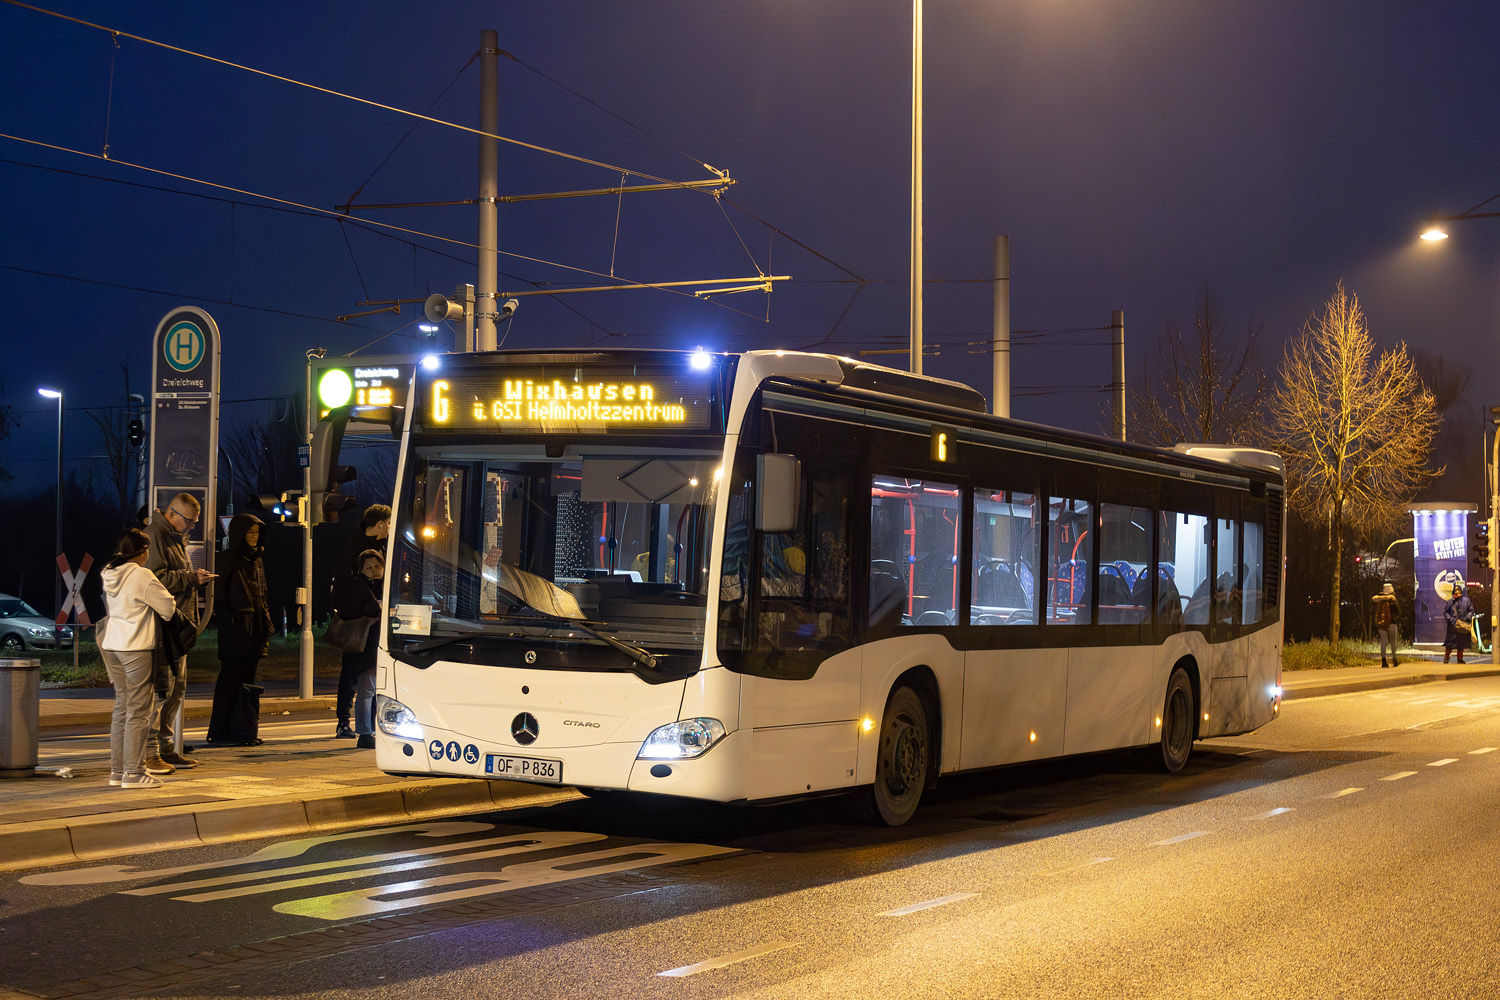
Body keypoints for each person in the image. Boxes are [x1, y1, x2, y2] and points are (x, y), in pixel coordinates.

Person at [98, 529, 179, 789]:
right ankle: (134, 773)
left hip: (112, 644)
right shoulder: (141, 575)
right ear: (143, 551)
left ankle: (117, 771)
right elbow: (168, 609)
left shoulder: (109, 572)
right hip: (136, 646)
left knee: (122, 709)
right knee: (140, 711)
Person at [145, 493, 215, 772]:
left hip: (177, 624)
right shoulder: (155, 536)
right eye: (190, 521)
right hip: (163, 628)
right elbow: (155, 580)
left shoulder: (172, 537)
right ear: (173, 514)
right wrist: (191, 578)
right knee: (161, 691)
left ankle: (166, 748)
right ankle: (152, 753)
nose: (191, 527)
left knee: (177, 689)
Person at [207, 513, 274, 745]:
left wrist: (265, 626)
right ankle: (220, 731)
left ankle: (244, 731)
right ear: (239, 534)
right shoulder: (226, 559)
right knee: (230, 682)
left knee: (248, 684)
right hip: (235, 634)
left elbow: (262, 595)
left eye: (257, 533)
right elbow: (220, 597)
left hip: (255, 632)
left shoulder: (257, 560)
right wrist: (232, 620)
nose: (254, 537)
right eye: (250, 532)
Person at [332, 505, 390, 739]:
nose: (389, 528)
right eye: (388, 523)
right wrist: (362, 609)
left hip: (376, 624)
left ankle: (371, 725)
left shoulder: (380, 546)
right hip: (358, 623)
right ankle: (344, 722)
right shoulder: (353, 550)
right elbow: (342, 589)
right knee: (351, 675)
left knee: (371, 678)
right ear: (379, 525)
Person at [1444, 582, 1476, 664]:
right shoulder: (1450, 602)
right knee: (1450, 644)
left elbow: (1471, 610)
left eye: (1458, 593)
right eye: (1455, 593)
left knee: (1461, 644)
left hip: (1462, 625)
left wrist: (1467, 618)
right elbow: (1446, 612)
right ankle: (1446, 658)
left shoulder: (1466, 601)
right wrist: (1450, 619)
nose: (1456, 595)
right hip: (1452, 626)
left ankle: (1460, 659)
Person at [1372, 582, 1399, 668]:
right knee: (1393, 642)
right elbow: (1398, 611)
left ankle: (1384, 662)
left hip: (1381, 623)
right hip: (1391, 623)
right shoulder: (1392, 599)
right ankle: (1394, 660)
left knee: (1384, 642)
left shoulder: (1377, 599)